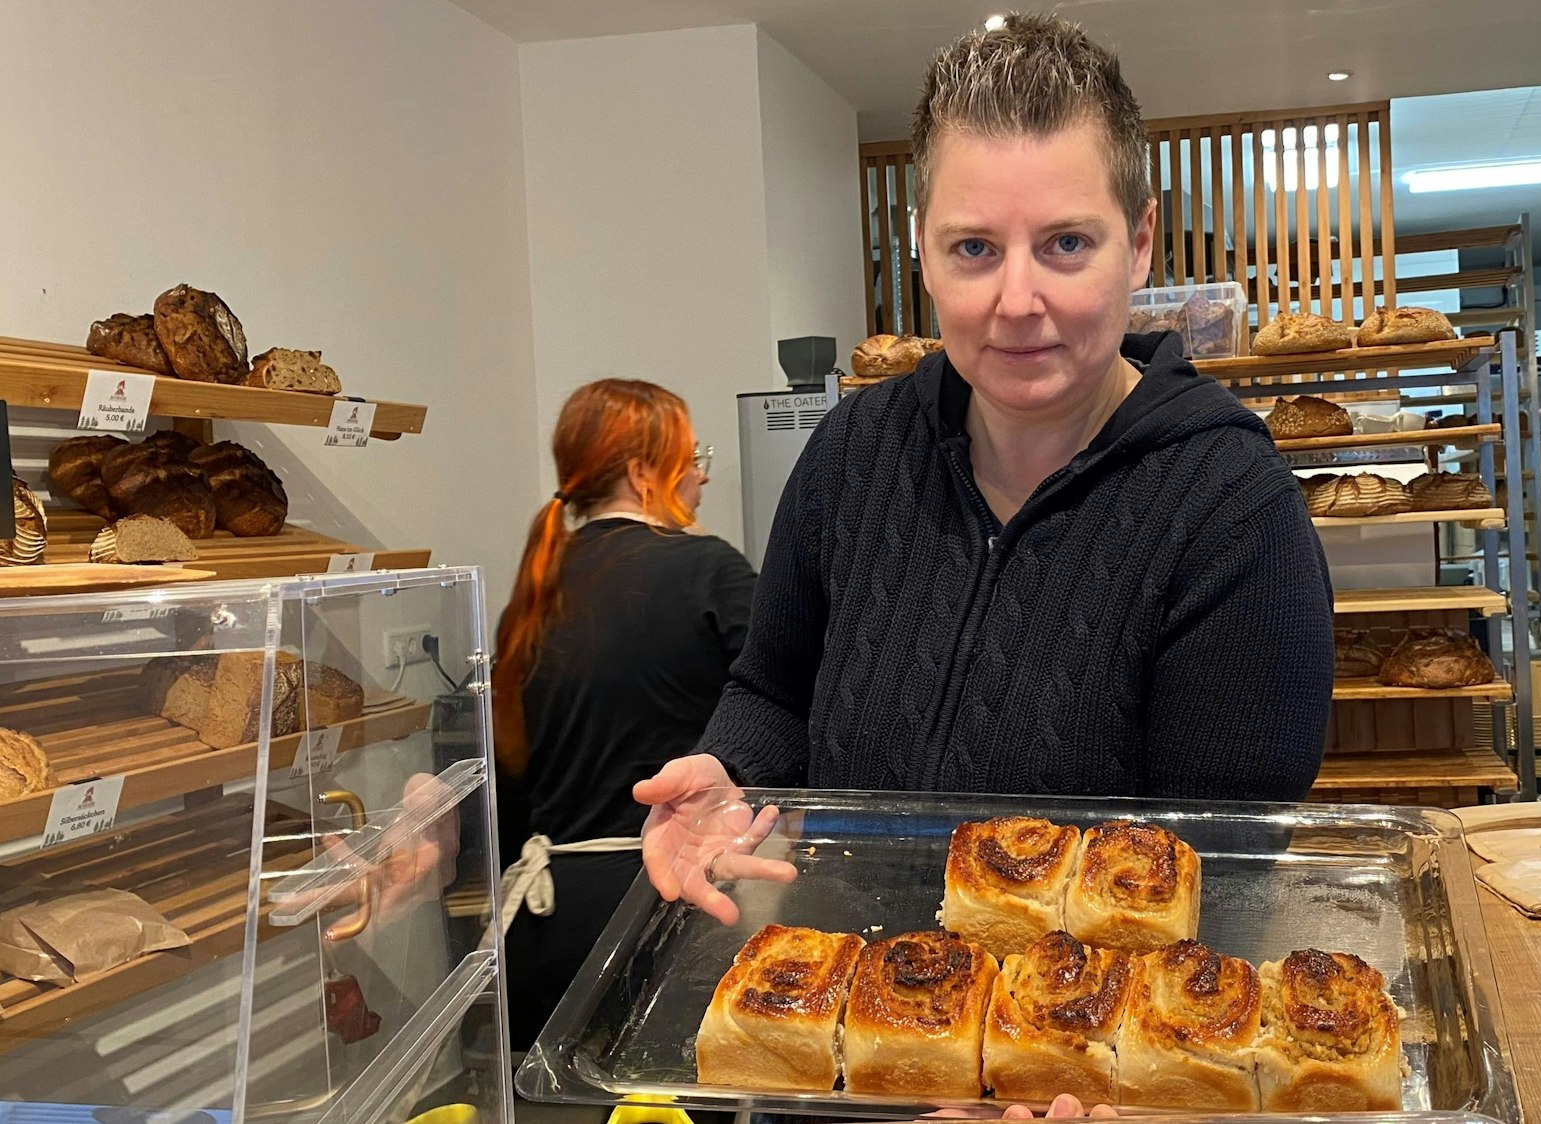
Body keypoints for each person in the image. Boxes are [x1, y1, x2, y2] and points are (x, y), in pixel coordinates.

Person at [635, 13, 1334, 926]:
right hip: (857, 1004)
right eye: (975, 248)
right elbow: (774, 685)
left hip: (1085, 1036)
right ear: (923, 246)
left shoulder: (1232, 509)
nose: (1017, 301)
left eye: (1066, 245)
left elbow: (1227, 868)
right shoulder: (853, 454)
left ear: (1144, 242)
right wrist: (732, 772)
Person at [493, 379, 755, 1050]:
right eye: (689, 457)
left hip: (539, 925)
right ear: (643, 474)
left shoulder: (535, 586)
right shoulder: (708, 571)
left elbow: (511, 781)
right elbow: (784, 706)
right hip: (661, 923)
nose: (700, 475)